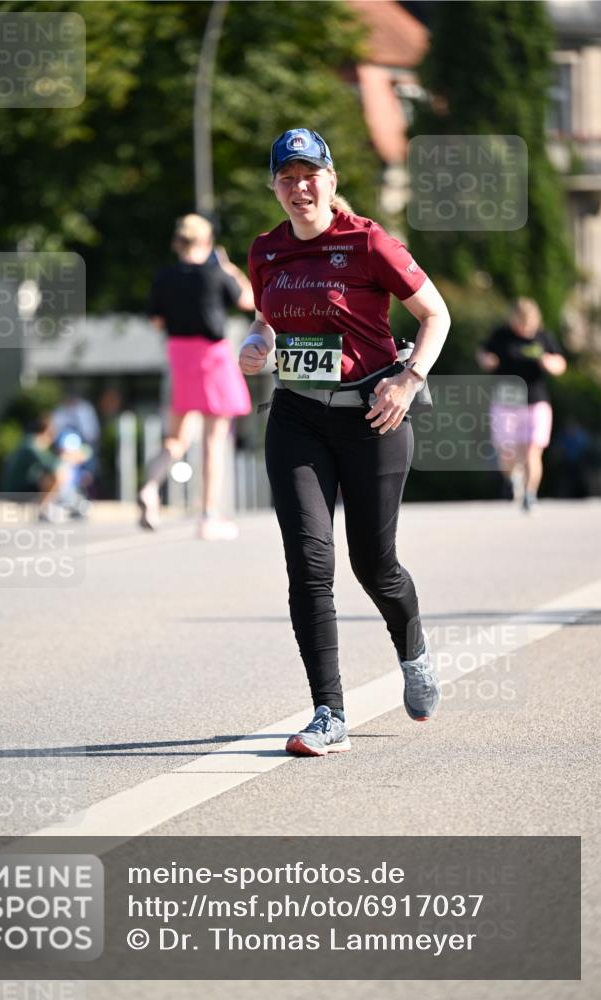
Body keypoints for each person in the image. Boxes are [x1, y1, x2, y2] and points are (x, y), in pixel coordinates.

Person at [239, 128, 451, 756]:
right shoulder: (266, 251)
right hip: (298, 417)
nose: (299, 187)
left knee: (374, 565)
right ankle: (329, 713)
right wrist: (257, 345)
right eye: (287, 177)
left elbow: (435, 314)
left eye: (311, 175)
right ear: (275, 186)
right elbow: (265, 319)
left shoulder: (367, 242)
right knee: (309, 563)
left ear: (332, 181)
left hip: (373, 416)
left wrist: (409, 383)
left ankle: (412, 650)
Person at [139, 214, 254, 540]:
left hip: (179, 357)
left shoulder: (164, 277)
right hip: (212, 358)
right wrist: (229, 266)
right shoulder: (216, 273)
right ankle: (207, 516)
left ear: (177, 243)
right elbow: (248, 300)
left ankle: (149, 488)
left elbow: (156, 321)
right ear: (207, 242)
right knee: (214, 441)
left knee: (175, 439)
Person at [477, 297, 566, 512]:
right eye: (520, 324)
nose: (525, 329)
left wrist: (549, 363)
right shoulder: (502, 335)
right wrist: (487, 360)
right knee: (506, 451)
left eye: (529, 324)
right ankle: (511, 481)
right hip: (506, 401)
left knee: (532, 452)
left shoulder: (543, 337)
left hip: (536, 402)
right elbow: (482, 352)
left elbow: (560, 363)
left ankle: (529, 494)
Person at [1, 413, 66, 519]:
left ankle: (49, 506)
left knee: (49, 476)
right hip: (16, 490)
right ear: (47, 431)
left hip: (22, 486)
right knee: (57, 476)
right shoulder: (32, 444)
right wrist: (66, 457)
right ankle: (43, 509)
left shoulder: (30, 442)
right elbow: (52, 465)